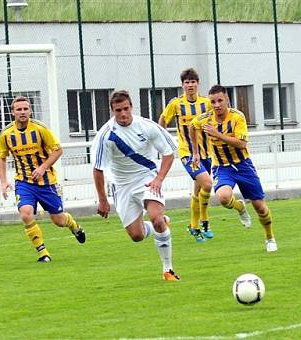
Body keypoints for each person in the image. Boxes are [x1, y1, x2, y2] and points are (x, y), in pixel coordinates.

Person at [93, 90, 181, 281]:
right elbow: (98, 169)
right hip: (122, 186)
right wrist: (103, 200)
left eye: (126, 109)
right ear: (112, 111)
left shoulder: (146, 126)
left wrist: (158, 179)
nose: (123, 114)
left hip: (146, 179)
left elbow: (168, 153)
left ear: (131, 107)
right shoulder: (105, 135)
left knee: (156, 219)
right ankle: (161, 224)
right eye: (118, 111)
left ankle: (168, 269)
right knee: (137, 236)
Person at [0, 96, 85, 263]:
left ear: (30, 110)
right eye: (19, 109)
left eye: (25, 109)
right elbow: (1, 157)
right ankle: (43, 253)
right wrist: (3, 181)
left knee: (58, 220)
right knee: (26, 214)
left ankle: (73, 225)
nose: (22, 112)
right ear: (12, 112)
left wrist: (43, 167)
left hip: (47, 182)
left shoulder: (40, 130)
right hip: (23, 182)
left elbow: (58, 150)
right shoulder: (7, 134)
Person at [190, 85, 277, 252]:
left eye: (220, 100)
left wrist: (218, 134)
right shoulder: (205, 119)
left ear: (227, 100)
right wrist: (195, 152)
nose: (216, 105)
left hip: (243, 166)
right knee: (223, 197)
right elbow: (192, 127)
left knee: (260, 207)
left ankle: (269, 237)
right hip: (222, 167)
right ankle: (240, 207)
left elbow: (242, 143)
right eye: (213, 102)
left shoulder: (237, 117)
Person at [160, 68, 215, 242]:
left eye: (193, 82)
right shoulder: (176, 104)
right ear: (182, 85)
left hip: (206, 153)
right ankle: (205, 221)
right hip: (187, 153)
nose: (190, 85)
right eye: (187, 82)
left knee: (198, 189)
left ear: (198, 83)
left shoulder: (206, 103)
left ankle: (193, 226)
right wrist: (162, 141)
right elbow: (162, 121)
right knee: (207, 184)